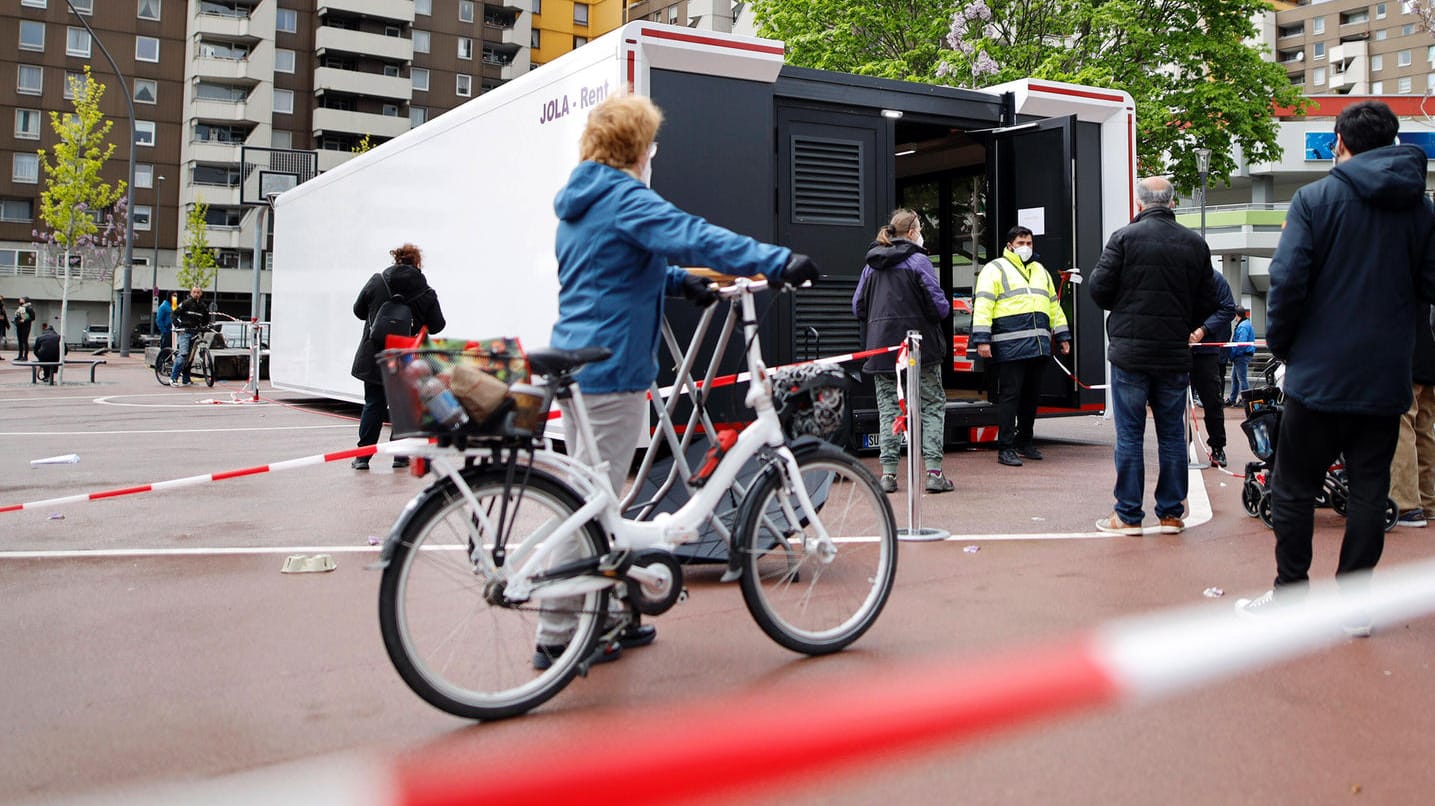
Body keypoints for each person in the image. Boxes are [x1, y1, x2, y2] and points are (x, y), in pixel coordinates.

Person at [541, 93, 818, 669]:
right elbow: (691, 234)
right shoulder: (622, 195)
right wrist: (774, 259)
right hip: (610, 368)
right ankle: (558, 629)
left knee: (604, 498)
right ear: (635, 146)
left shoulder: (584, 201)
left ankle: (610, 613)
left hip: (587, 359)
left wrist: (675, 283)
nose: (654, 155)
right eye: (651, 145)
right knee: (593, 503)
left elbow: (612, 268)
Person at [1236, 101, 1435, 632]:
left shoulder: (1315, 199)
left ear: (1341, 143)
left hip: (1319, 374)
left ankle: (1292, 595)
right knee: (1370, 488)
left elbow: (1288, 281)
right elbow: (1431, 285)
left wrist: (1284, 346)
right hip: (1386, 373)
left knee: (1294, 484)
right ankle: (1354, 608)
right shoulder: (1420, 206)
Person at [1088, 176, 1218, 536]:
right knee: (1172, 435)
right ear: (1172, 202)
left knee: (1129, 434)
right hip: (1174, 350)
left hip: (1130, 350)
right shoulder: (1194, 244)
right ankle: (1171, 513)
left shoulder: (1125, 238)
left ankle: (1128, 515)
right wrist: (1182, 321)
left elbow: (1099, 289)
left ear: (1140, 203)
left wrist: (1126, 307)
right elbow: (1209, 299)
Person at [852, 208, 954, 494]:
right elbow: (941, 308)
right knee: (931, 405)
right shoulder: (919, 262)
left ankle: (888, 475)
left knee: (889, 410)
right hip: (921, 349)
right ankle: (933, 472)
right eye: (920, 227)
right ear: (912, 233)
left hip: (882, 350)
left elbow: (857, 307)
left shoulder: (871, 265)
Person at [971, 225, 1071, 467]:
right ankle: (1005, 448)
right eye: (1021, 243)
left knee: (1031, 397)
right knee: (1010, 397)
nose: (1026, 247)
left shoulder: (1040, 270)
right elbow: (983, 305)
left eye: (1029, 243)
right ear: (1009, 245)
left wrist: (1063, 335)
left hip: (1037, 347)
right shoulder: (995, 269)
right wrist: (982, 340)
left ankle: (1025, 441)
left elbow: (1053, 305)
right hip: (1009, 347)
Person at [349, 243, 446, 470]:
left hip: (376, 353)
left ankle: (363, 456)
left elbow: (358, 311)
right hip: (406, 357)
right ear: (417, 263)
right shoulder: (426, 292)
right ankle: (400, 456)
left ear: (396, 260)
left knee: (373, 404)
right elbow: (438, 326)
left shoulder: (377, 281)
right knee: (403, 406)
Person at [1388, 303, 1435, 528]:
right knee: (1425, 432)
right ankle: (1428, 501)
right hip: (1428, 356)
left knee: (1401, 424)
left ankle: (1406, 504)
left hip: (1407, 355)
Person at [1189, 269, 1236, 467]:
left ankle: (1218, 447)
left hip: (1206, 350)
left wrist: (1203, 330)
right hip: (1176, 348)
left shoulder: (1216, 279)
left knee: (1213, 400)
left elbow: (1228, 308)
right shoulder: (1176, 274)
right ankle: (1180, 444)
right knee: (1170, 399)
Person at [169, 287, 211, 386]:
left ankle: (186, 379)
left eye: (198, 292)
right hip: (185, 332)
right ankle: (173, 378)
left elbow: (206, 319)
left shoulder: (203, 306)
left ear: (201, 294)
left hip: (195, 333)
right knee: (183, 355)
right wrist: (178, 325)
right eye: (194, 292)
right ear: (191, 293)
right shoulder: (186, 303)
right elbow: (174, 314)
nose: (196, 294)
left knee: (190, 357)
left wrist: (206, 326)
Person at [1224, 307, 1255, 406]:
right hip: (1242, 355)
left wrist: (1233, 355)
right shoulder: (1246, 324)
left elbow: (1241, 344)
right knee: (1235, 378)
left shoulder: (1242, 326)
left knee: (1241, 378)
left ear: (1238, 315)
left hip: (1241, 355)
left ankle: (1245, 400)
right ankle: (1233, 399)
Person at [14, 296, 35, 361]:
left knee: (24, 341)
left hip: (26, 326)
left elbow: (33, 317)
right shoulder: (21, 307)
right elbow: (18, 315)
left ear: (25, 300)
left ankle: (25, 356)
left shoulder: (29, 308)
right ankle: (20, 355)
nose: (20, 300)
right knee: (20, 341)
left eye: (21, 299)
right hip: (19, 326)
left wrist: (24, 320)